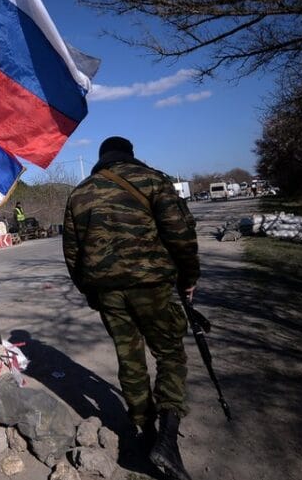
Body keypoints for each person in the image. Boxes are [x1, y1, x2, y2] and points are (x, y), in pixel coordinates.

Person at [62, 136, 200, 480]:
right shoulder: (154, 180)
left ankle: (144, 432)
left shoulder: (80, 193)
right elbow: (180, 233)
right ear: (130, 155)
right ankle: (167, 438)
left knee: (130, 358)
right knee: (170, 355)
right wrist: (189, 277)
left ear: (101, 158)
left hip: (108, 291)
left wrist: (91, 292)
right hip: (152, 285)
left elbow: (72, 254)